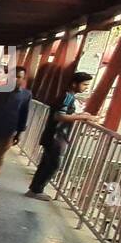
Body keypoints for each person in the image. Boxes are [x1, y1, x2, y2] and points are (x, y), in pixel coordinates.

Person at [26, 71, 96, 201]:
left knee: (47, 163)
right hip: (56, 136)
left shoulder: (67, 96)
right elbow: (59, 115)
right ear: (75, 84)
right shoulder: (67, 97)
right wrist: (82, 117)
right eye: (85, 84)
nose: (86, 87)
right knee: (53, 164)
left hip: (54, 135)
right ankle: (36, 189)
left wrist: (82, 115)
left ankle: (35, 189)